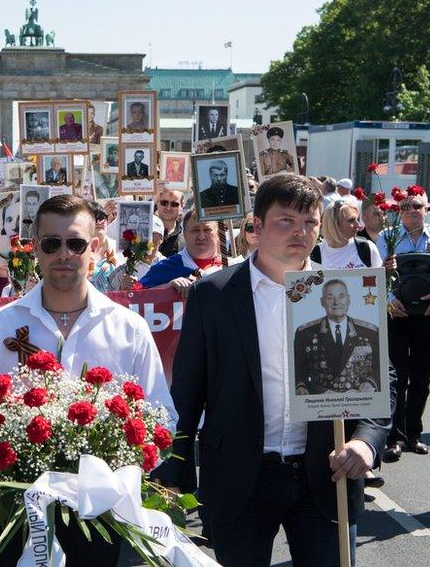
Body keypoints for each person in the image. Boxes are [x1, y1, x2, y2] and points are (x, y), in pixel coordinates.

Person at [155, 173, 391, 566]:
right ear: (257, 228)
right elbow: (188, 389)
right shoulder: (212, 295)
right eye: (287, 221)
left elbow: (383, 377)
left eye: (310, 222)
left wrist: (365, 441)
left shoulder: (343, 290)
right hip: (240, 477)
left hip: (326, 472)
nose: (300, 232)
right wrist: (173, 468)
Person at [0, 194, 175, 566]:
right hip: (19, 507)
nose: (64, 253)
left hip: (101, 516)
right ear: (35, 250)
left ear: (93, 247)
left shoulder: (130, 329)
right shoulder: (1, 326)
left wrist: (122, 474)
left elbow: (162, 416)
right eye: (51, 243)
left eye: (75, 243)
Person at [377, 186, 430, 462]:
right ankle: (394, 437)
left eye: (418, 206)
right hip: (397, 315)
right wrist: (387, 299)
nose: (413, 211)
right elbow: (377, 273)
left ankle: (414, 434)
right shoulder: (387, 237)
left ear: (427, 209)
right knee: (397, 376)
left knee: (422, 376)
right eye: (407, 206)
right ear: (400, 211)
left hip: (429, 314)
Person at [294, 279, 382, 394]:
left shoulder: (371, 332)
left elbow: (383, 367)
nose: (336, 302)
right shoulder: (305, 333)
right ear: (322, 302)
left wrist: (371, 383)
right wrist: (303, 387)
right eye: (330, 298)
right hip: (320, 404)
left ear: (349, 299)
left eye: (341, 296)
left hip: (361, 402)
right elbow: (297, 370)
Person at [140, 209, 222, 294]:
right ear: (185, 235)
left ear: (218, 234)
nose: (201, 237)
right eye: (195, 230)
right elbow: (136, 297)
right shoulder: (165, 268)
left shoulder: (230, 267)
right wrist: (166, 288)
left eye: (207, 230)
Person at [312, 202, 382, 269]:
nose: (358, 225)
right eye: (351, 220)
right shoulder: (315, 254)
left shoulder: (366, 247)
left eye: (357, 220)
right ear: (335, 224)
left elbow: (380, 278)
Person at [156, 189, 185, 258]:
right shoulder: (144, 232)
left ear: (182, 205)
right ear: (157, 203)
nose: (168, 208)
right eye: (164, 203)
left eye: (174, 204)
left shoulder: (187, 238)